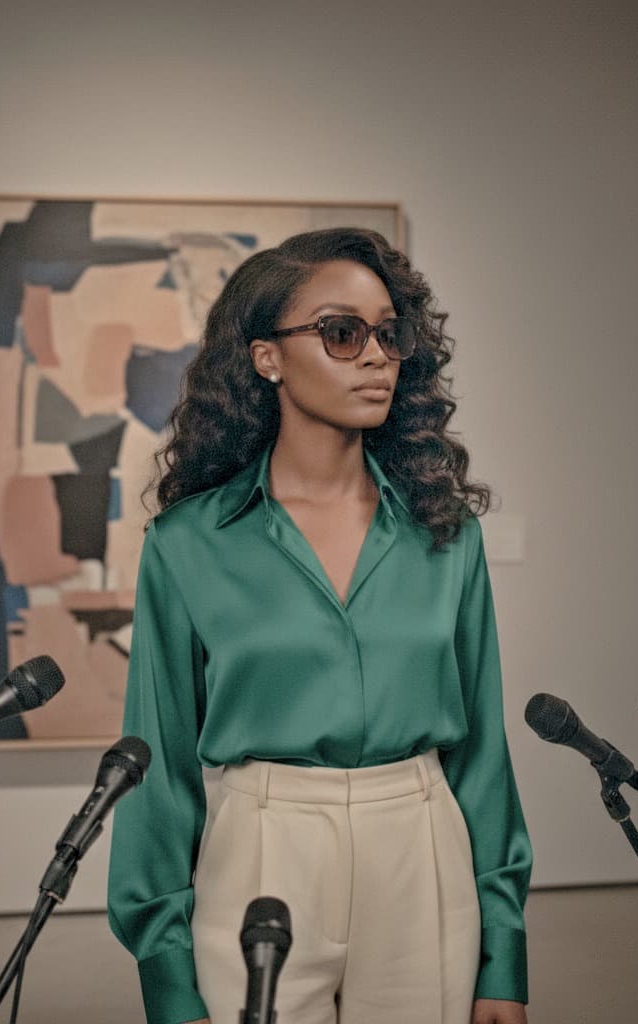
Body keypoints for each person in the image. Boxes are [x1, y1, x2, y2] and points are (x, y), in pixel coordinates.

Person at [107, 227, 532, 1024]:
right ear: (268, 356)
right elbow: (157, 769)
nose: (376, 355)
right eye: (342, 332)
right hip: (261, 849)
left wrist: (502, 955)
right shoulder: (189, 543)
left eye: (390, 332)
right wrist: (168, 980)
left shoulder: (446, 534)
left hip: (421, 844)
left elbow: (482, 758)